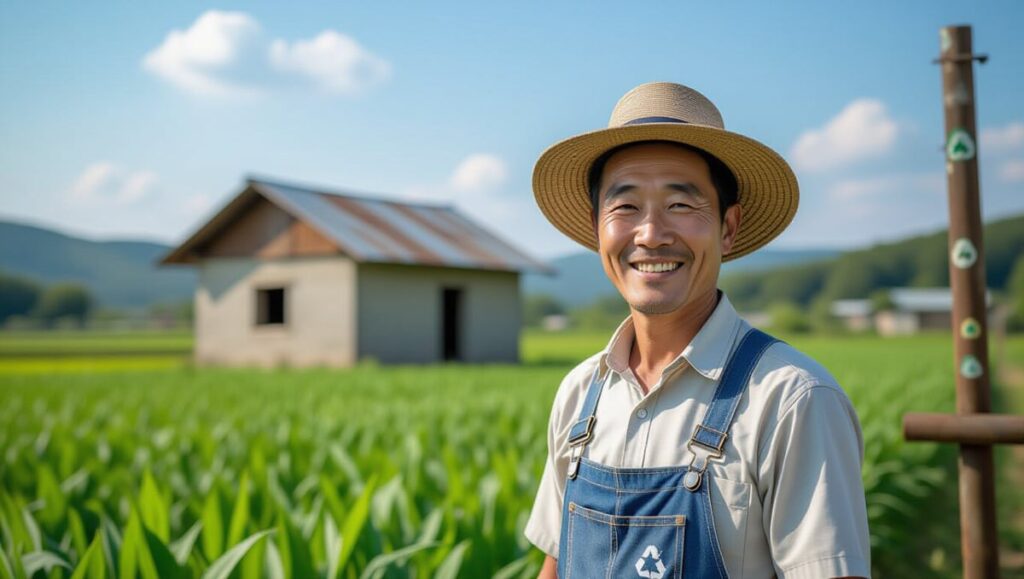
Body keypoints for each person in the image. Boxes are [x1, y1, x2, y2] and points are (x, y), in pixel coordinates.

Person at [525, 82, 870, 578]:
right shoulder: (581, 394)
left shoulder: (792, 400)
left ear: (728, 228)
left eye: (681, 205)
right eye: (625, 206)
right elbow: (556, 566)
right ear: (597, 226)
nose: (651, 235)